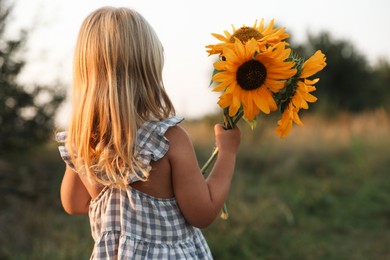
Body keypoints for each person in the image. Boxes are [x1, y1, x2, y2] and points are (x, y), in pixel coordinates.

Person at [57, 6, 240, 259]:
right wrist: (227, 153)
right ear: (148, 71)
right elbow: (203, 213)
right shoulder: (167, 140)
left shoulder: (81, 141)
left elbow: (74, 204)